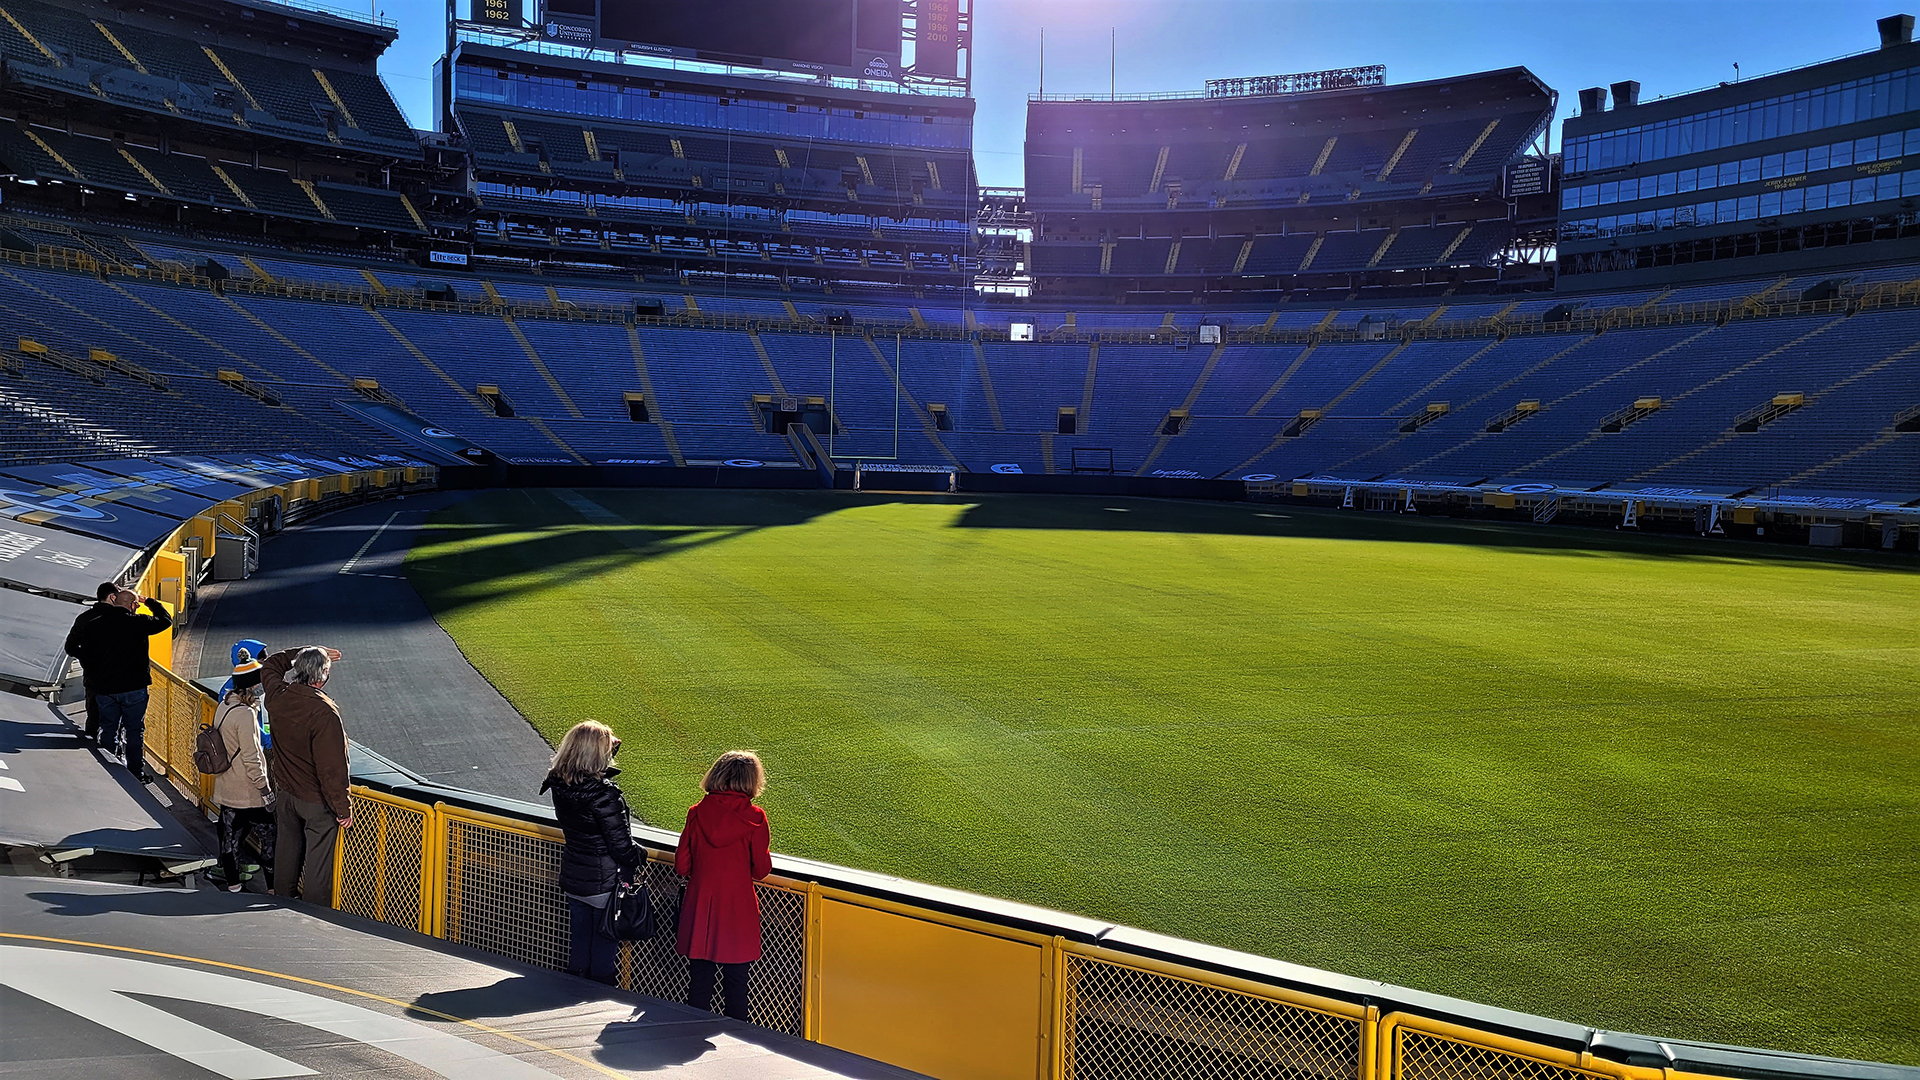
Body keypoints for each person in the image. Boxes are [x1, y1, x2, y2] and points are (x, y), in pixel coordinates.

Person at [540, 721, 640, 985]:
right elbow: (621, 847)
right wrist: (639, 856)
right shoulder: (604, 794)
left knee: (580, 943)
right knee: (604, 949)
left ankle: (575, 990)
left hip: (574, 876)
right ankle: (599, 998)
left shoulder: (559, 784)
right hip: (603, 882)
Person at [676, 750, 771, 1021]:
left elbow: (682, 865)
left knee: (699, 984)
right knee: (737, 987)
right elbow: (762, 870)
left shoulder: (696, 813)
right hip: (738, 909)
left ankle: (691, 1035)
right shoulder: (755, 818)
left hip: (701, 904)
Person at [259, 645, 350, 902]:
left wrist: (304, 651)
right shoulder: (324, 712)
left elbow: (272, 664)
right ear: (322, 676)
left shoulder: (278, 694)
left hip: (285, 792)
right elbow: (332, 768)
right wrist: (342, 809)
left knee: (287, 849)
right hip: (315, 800)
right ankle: (314, 916)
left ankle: (282, 899)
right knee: (318, 863)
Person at [73, 587, 173, 784]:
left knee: (108, 728)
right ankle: (135, 772)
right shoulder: (139, 623)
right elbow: (165, 620)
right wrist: (149, 602)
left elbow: (83, 652)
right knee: (135, 730)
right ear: (132, 605)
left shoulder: (94, 625)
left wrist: (95, 675)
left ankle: (108, 767)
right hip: (134, 689)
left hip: (105, 689)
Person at [211, 654, 274, 892]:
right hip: (247, 791)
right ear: (252, 686)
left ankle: (233, 885)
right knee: (269, 837)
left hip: (226, 786)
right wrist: (265, 789)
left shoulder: (224, 705)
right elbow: (252, 757)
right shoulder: (246, 715)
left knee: (229, 839)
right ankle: (272, 889)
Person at [62, 582, 121, 748]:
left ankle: (92, 747)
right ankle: (114, 755)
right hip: (119, 679)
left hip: (93, 677)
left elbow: (70, 647)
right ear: (112, 597)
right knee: (118, 720)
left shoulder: (84, 619)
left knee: (94, 716)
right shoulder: (123, 619)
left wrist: (87, 658)